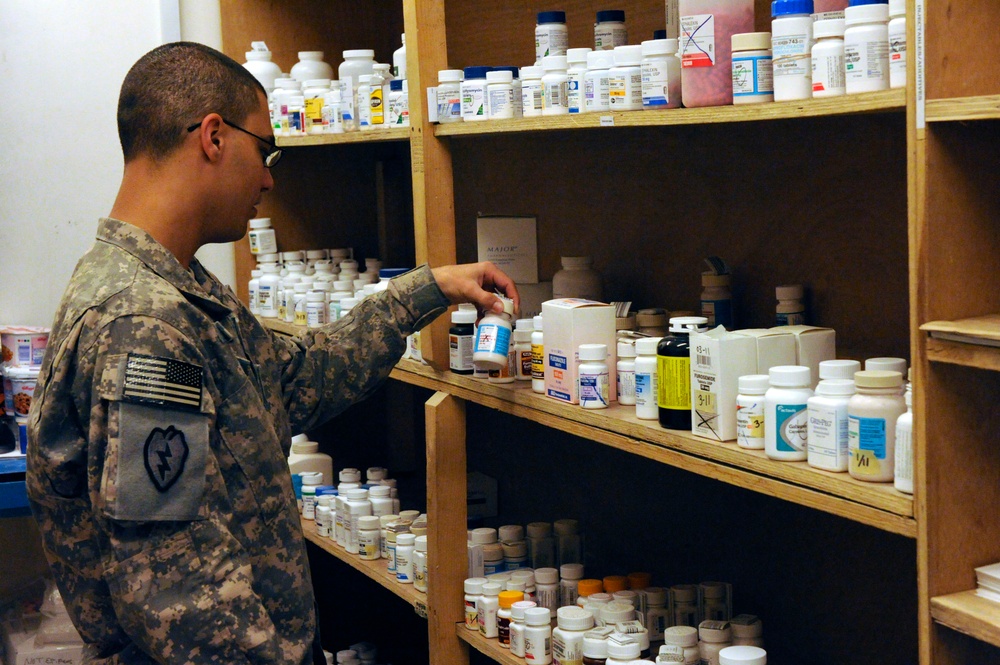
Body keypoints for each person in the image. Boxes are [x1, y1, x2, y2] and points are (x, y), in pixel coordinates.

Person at [26, 42, 518, 664]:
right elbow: (181, 596)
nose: (268, 177)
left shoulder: (174, 291)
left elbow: (294, 381)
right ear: (212, 137)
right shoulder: (143, 323)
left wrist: (426, 291)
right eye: (264, 150)